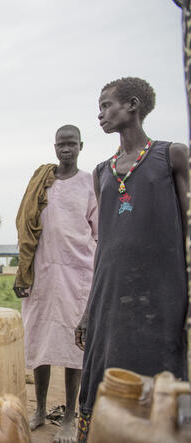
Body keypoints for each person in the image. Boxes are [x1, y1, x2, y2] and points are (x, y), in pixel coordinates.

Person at [75, 77, 189, 441]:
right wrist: (88, 307)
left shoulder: (172, 155)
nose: (100, 114)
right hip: (110, 293)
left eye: (107, 105)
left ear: (133, 105)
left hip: (163, 291)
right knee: (106, 372)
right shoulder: (102, 171)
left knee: (163, 372)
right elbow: (105, 242)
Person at [16, 125, 98, 443]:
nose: (66, 149)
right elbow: (25, 225)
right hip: (41, 272)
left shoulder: (90, 183)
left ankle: (67, 419)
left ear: (81, 146)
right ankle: (38, 411)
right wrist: (23, 272)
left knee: (73, 345)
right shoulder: (42, 182)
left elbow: (98, 231)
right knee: (40, 343)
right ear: (54, 148)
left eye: (72, 144)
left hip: (78, 275)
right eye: (61, 144)